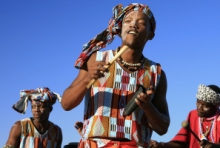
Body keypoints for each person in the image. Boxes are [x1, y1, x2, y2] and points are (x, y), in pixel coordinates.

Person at [62, 3, 170, 148]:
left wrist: (148, 107)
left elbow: (162, 128)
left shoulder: (156, 73)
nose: (133, 25)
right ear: (119, 30)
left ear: (151, 34)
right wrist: (88, 79)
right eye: (127, 21)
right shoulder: (96, 59)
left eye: (142, 23)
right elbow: (66, 104)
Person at [150, 84, 220, 148]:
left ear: (216, 106)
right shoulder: (193, 115)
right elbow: (181, 142)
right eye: (198, 102)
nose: (199, 108)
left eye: (206, 106)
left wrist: (213, 146)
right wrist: (161, 145)